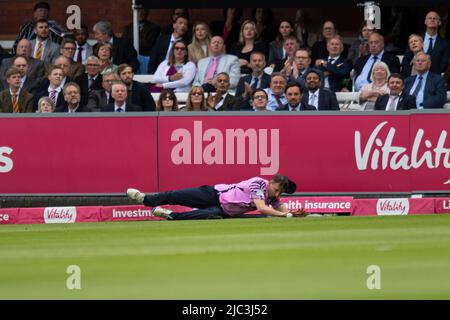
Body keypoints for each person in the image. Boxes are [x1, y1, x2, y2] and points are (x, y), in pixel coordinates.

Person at [126, 173, 306, 220]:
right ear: (272, 182)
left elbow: (280, 207)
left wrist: (292, 213)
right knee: (177, 195)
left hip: (223, 210)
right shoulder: (259, 183)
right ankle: (145, 199)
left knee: (206, 215)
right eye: (278, 189)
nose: (278, 194)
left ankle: (169, 215)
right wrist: (285, 214)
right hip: (213, 194)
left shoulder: (273, 196)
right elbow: (262, 208)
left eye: (281, 192)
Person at [122, 8, 160, 74]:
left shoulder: (154, 28)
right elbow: (124, 44)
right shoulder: (127, 28)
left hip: (146, 58)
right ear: (133, 13)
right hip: (130, 59)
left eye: (143, 10)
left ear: (146, 13)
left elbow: (148, 44)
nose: (140, 13)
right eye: (138, 11)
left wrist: (131, 42)